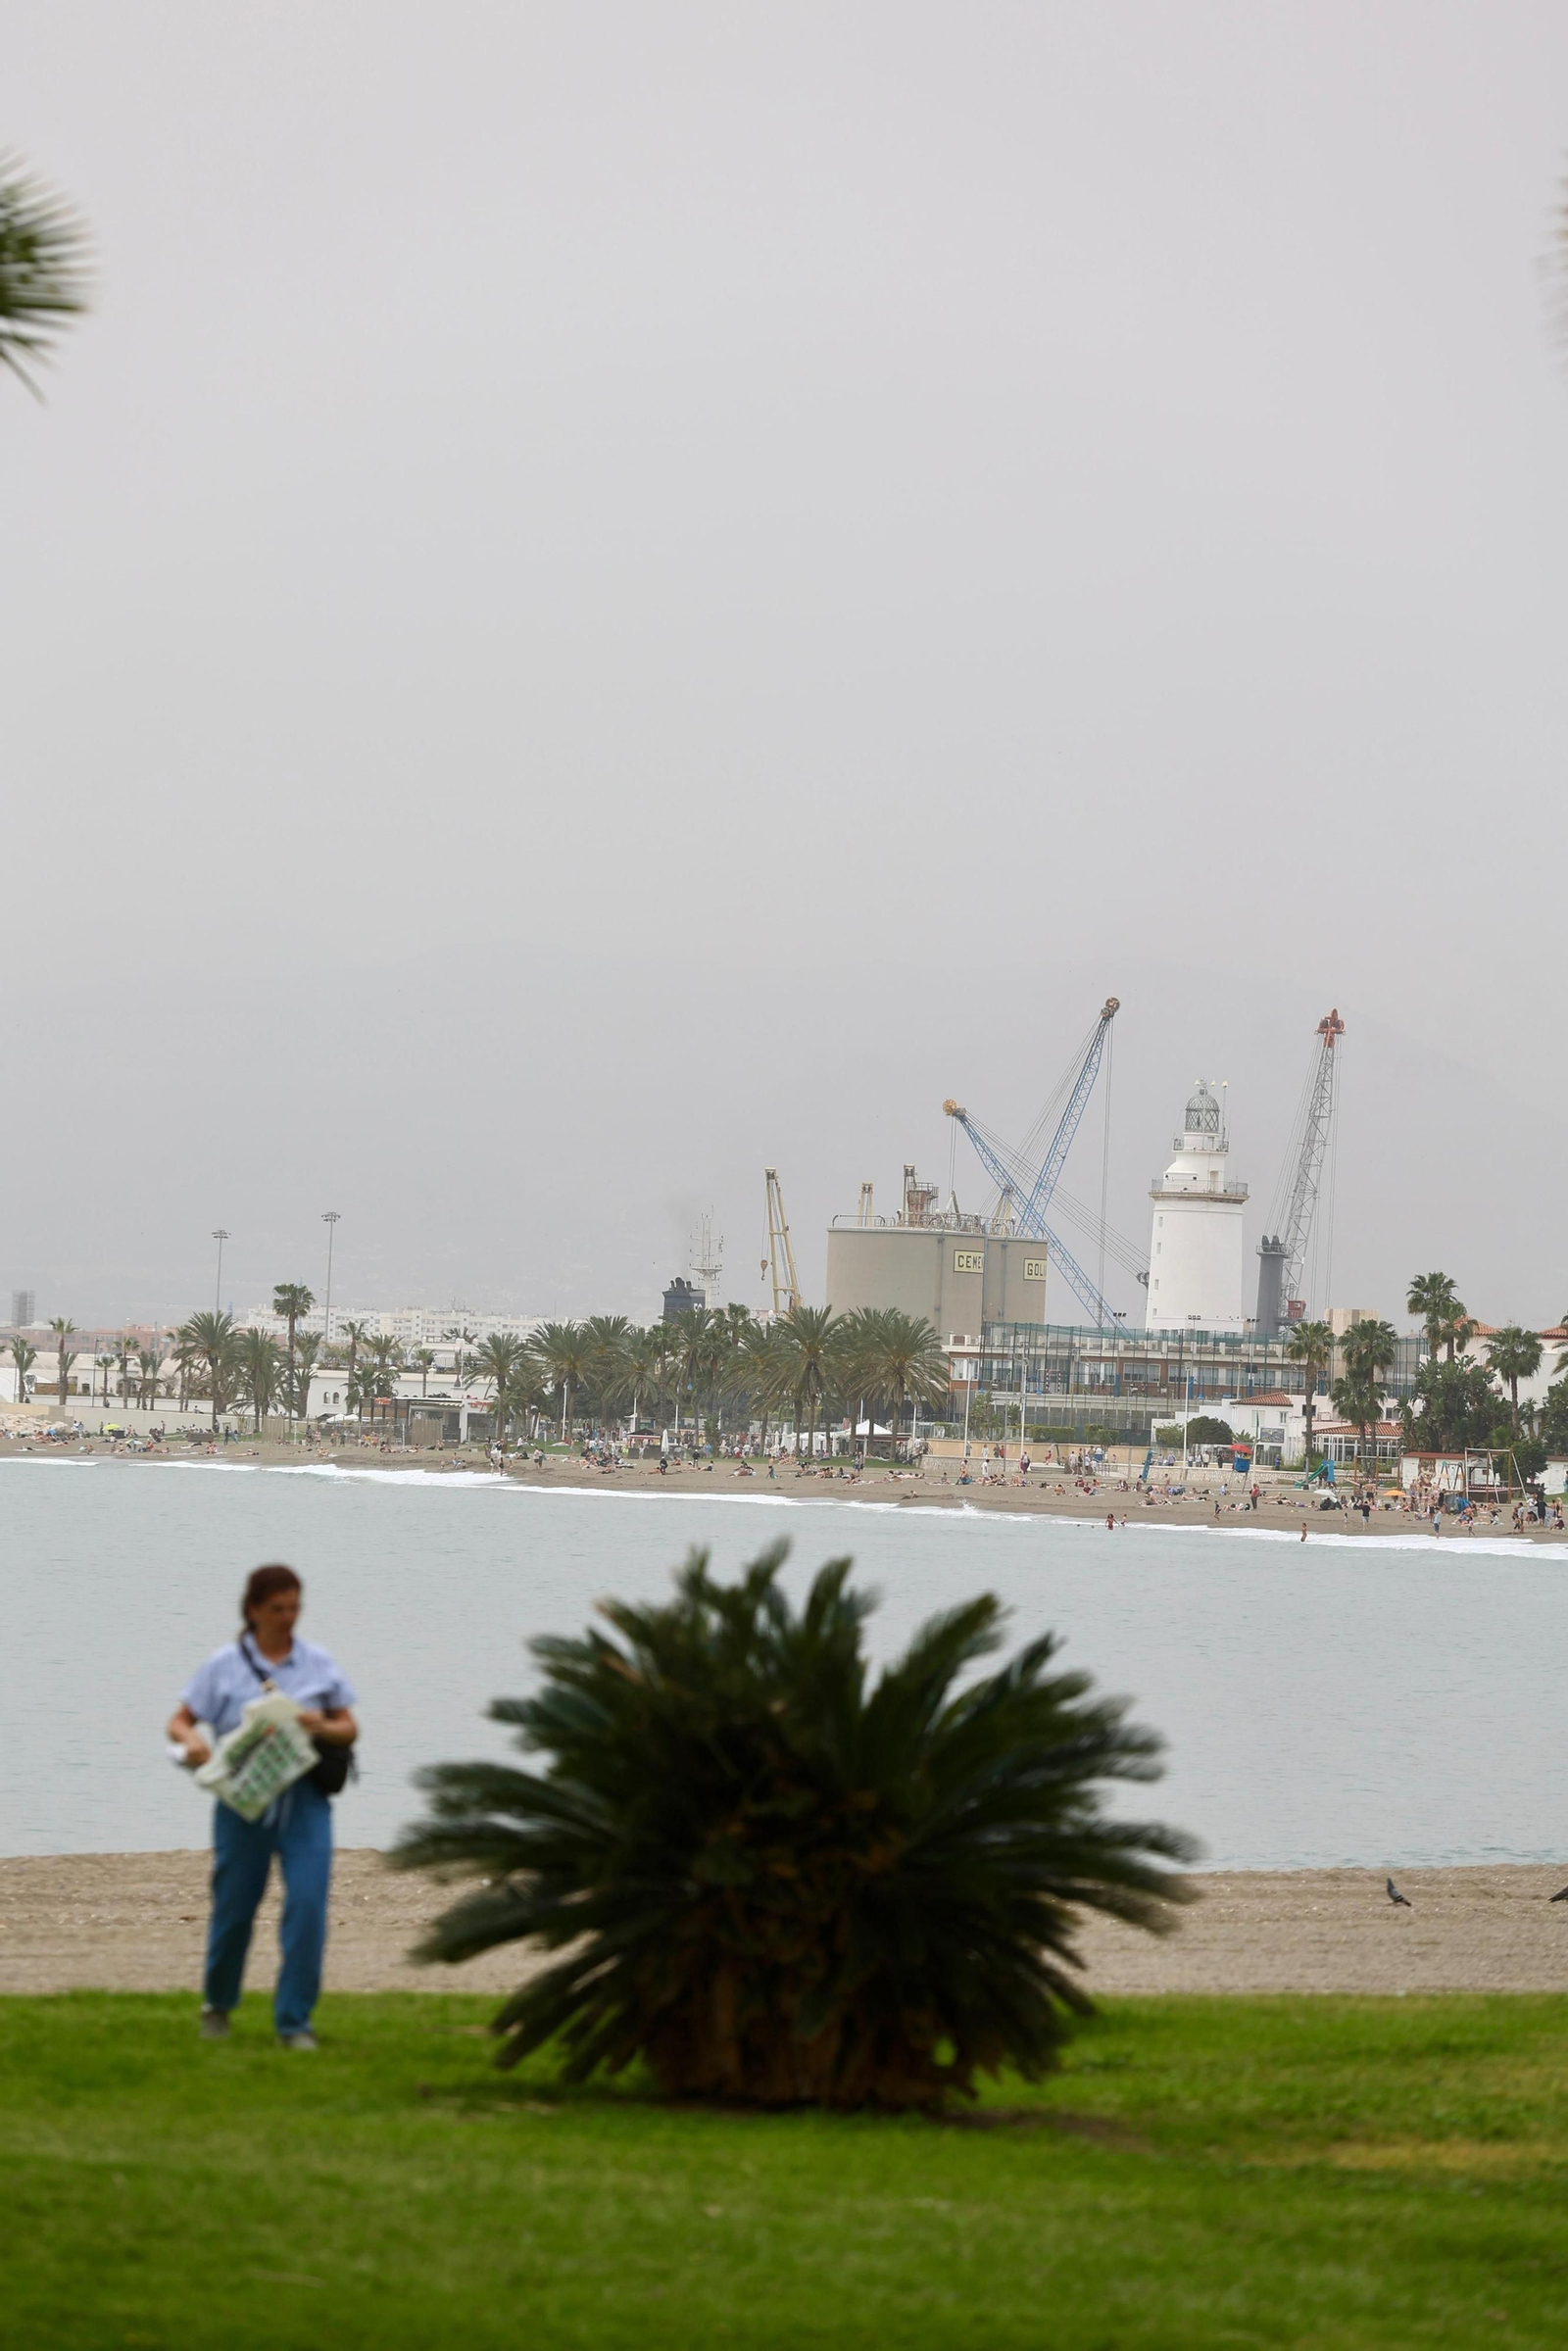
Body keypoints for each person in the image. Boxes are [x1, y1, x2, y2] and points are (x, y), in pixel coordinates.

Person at [167, 1563, 357, 2050]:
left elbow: (348, 1727)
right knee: (233, 1910)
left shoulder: (318, 1663)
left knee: (308, 1908)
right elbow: (180, 1721)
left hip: (305, 1803)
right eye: (278, 1609)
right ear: (253, 1611)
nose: (288, 1617)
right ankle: (217, 2006)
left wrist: (318, 1725)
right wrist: (193, 1744)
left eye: (294, 1607)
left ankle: (294, 2024)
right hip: (243, 1805)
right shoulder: (223, 1665)